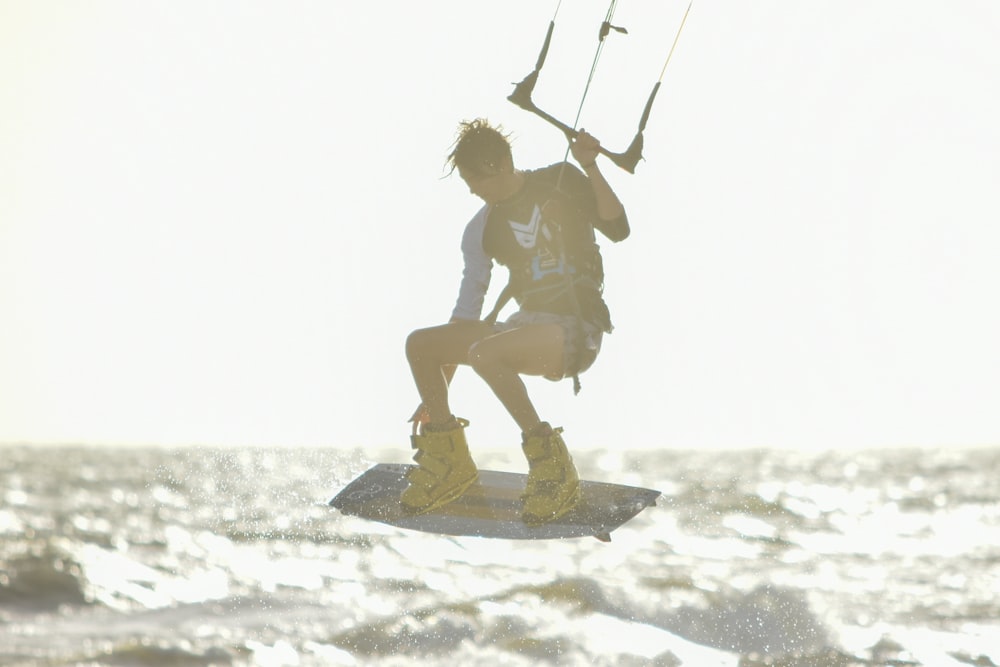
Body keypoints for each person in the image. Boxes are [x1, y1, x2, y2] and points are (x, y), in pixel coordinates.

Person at [402, 118, 630, 525]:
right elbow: (465, 315)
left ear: (503, 163)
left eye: (479, 181)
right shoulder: (481, 228)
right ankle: (451, 461)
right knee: (421, 344)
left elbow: (618, 228)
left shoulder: (560, 178)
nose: (475, 191)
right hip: (522, 327)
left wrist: (590, 166)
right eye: (470, 184)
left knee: (485, 354)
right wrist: (437, 398)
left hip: (575, 332)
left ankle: (551, 466)